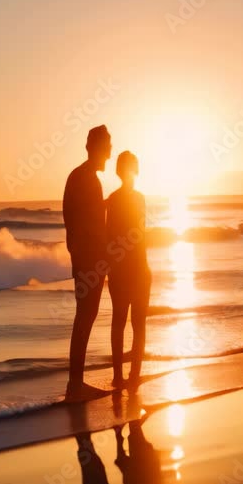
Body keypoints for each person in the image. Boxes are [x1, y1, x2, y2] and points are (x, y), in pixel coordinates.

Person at [63, 125, 113, 402]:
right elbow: (89, 227)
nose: (110, 151)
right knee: (84, 317)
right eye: (107, 145)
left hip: (86, 259)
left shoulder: (83, 177)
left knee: (85, 317)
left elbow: (77, 221)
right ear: (96, 147)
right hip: (89, 261)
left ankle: (76, 383)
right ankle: (75, 386)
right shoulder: (84, 179)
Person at [107, 151, 152, 389]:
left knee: (125, 322)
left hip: (129, 269)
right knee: (132, 323)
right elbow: (133, 234)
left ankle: (125, 375)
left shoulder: (116, 199)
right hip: (131, 269)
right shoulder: (128, 199)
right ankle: (128, 375)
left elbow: (112, 236)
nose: (129, 174)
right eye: (128, 169)